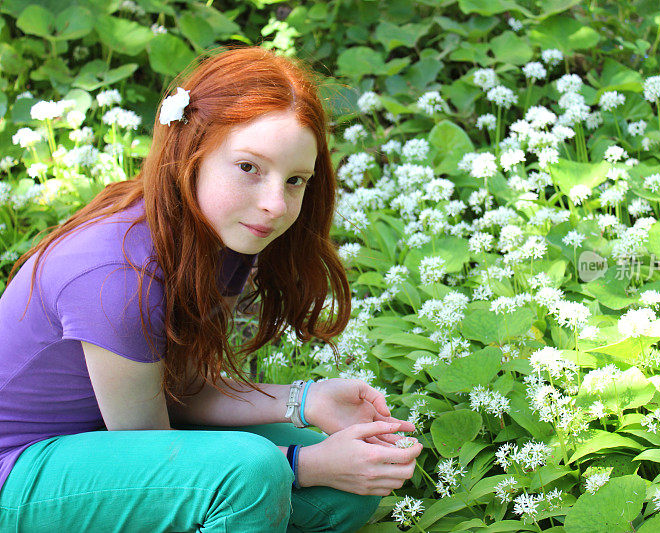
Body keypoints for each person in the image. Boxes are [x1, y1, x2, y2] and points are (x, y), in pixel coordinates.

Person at [0, 46, 422, 532]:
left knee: (341, 495)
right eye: (249, 167)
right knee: (254, 471)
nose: (274, 204)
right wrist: (301, 466)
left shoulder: (224, 238)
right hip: (19, 471)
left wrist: (306, 400)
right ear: (190, 154)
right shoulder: (116, 274)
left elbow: (179, 387)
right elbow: (149, 449)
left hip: (105, 446)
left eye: (295, 180)